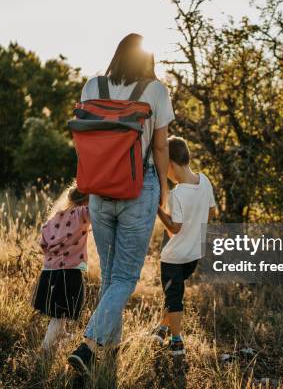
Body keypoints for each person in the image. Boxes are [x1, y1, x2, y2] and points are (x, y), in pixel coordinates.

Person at [68, 33, 174, 374]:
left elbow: (87, 141)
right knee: (126, 278)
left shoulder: (92, 86)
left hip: (99, 190)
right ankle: (88, 347)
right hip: (138, 189)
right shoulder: (154, 91)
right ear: (147, 59)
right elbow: (160, 147)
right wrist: (164, 190)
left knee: (112, 275)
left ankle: (109, 352)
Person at [151, 136, 216, 357]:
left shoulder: (177, 194)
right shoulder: (204, 180)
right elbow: (211, 211)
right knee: (174, 292)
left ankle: (177, 341)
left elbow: (174, 228)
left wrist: (157, 210)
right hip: (193, 256)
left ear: (170, 164)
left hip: (174, 258)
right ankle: (162, 327)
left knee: (174, 297)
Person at [31, 183, 90, 355]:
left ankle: (61, 334)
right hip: (69, 270)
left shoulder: (54, 217)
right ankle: (45, 347)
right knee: (59, 314)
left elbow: (42, 244)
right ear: (86, 200)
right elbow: (98, 212)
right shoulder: (82, 213)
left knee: (59, 308)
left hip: (48, 271)